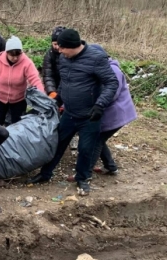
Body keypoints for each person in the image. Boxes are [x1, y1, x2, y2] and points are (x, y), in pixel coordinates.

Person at [28, 29, 119, 195]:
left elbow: (112, 83)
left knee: (85, 149)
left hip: (90, 115)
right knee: (57, 143)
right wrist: (58, 99)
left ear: (71, 46)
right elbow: (65, 82)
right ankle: (45, 173)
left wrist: (100, 105)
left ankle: (82, 179)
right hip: (69, 113)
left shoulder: (96, 58)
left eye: (62, 48)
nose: (59, 51)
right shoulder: (64, 58)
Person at [66, 44, 137, 180]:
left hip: (117, 114)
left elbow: (112, 95)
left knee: (96, 140)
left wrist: (94, 104)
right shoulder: (99, 69)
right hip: (110, 114)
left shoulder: (113, 70)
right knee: (100, 138)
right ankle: (110, 167)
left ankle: (85, 174)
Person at [0, 36, 45, 126]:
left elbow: (35, 79)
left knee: (18, 125)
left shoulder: (26, 63)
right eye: (12, 55)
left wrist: (42, 95)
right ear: (6, 52)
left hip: (19, 100)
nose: (15, 58)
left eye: (18, 54)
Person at [43, 26, 65, 98]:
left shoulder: (69, 54)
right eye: (55, 44)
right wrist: (51, 91)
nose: (57, 47)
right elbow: (47, 75)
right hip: (54, 86)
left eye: (59, 44)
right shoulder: (49, 55)